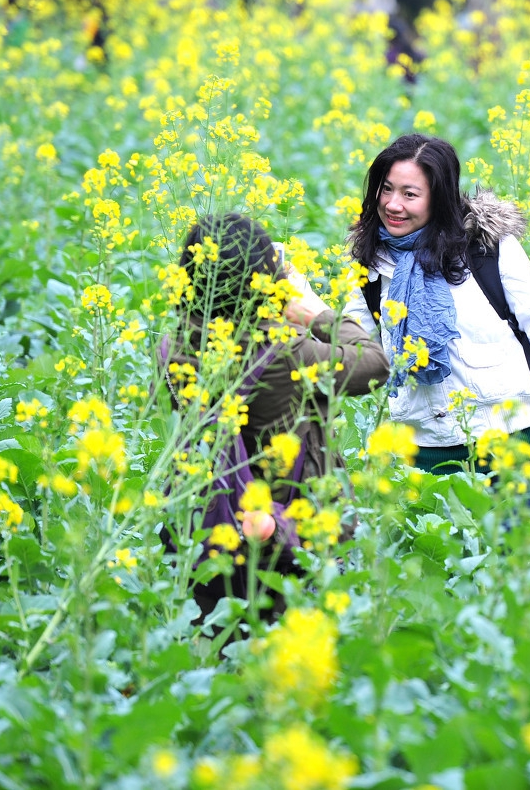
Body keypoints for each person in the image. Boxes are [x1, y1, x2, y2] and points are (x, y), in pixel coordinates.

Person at [342, 134, 530, 508]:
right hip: (425, 448)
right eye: (386, 190)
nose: (393, 205)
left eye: (409, 194)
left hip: (519, 441)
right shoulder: (372, 265)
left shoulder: (488, 249)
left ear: (439, 198)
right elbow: (353, 352)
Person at [161, 213, 389, 626]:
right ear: (262, 279)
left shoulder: (174, 342)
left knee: (218, 653)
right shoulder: (285, 352)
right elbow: (373, 364)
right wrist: (315, 311)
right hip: (285, 533)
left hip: (206, 525)